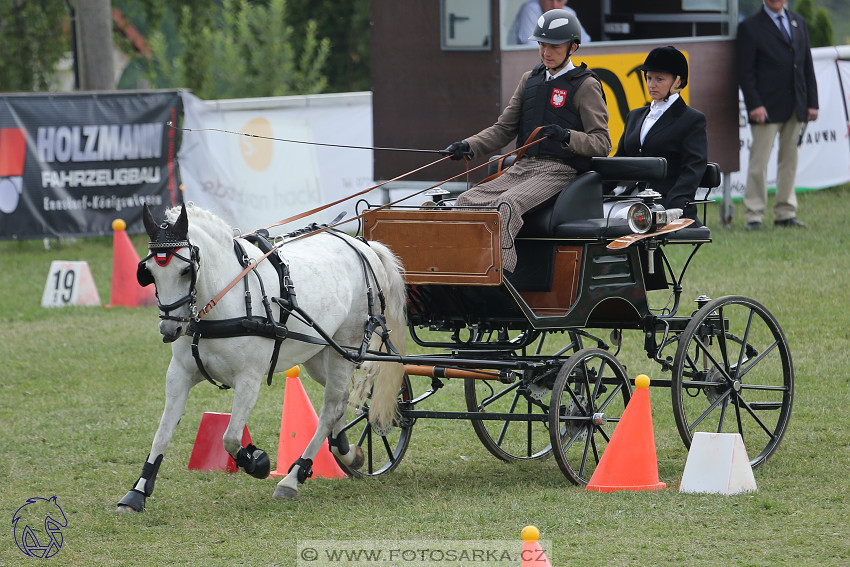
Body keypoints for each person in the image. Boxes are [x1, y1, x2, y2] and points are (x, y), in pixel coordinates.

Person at [442, 9, 611, 274]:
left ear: (573, 47)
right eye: (542, 44)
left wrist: (567, 136)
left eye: (554, 46)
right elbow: (503, 129)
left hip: (559, 171)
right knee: (465, 201)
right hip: (522, 169)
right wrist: (469, 145)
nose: (546, 52)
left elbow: (602, 142)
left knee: (506, 206)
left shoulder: (585, 85)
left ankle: (501, 280)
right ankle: (463, 273)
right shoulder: (529, 80)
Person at [737, 0, 818, 230]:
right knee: (759, 162)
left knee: (790, 160)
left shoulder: (798, 22)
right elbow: (745, 71)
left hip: (796, 105)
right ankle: (754, 214)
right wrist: (754, 104)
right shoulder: (750, 27)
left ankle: (785, 212)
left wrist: (812, 102)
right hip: (765, 107)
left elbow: (806, 66)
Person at [607, 46, 707, 222]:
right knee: (596, 212)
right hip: (631, 197)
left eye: (659, 79)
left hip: (665, 202)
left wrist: (676, 203)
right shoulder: (635, 116)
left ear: (678, 82)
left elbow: (693, 167)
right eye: (649, 78)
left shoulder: (691, 119)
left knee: (618, 219)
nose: (651, 84)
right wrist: (594, 191)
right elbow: (619, 161)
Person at [510, 0, 591, 45]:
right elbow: (530, 45)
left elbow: (584, 42)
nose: (554, 5)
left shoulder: (569, 12)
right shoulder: (531, 8)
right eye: (550, 0)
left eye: (559, 0)